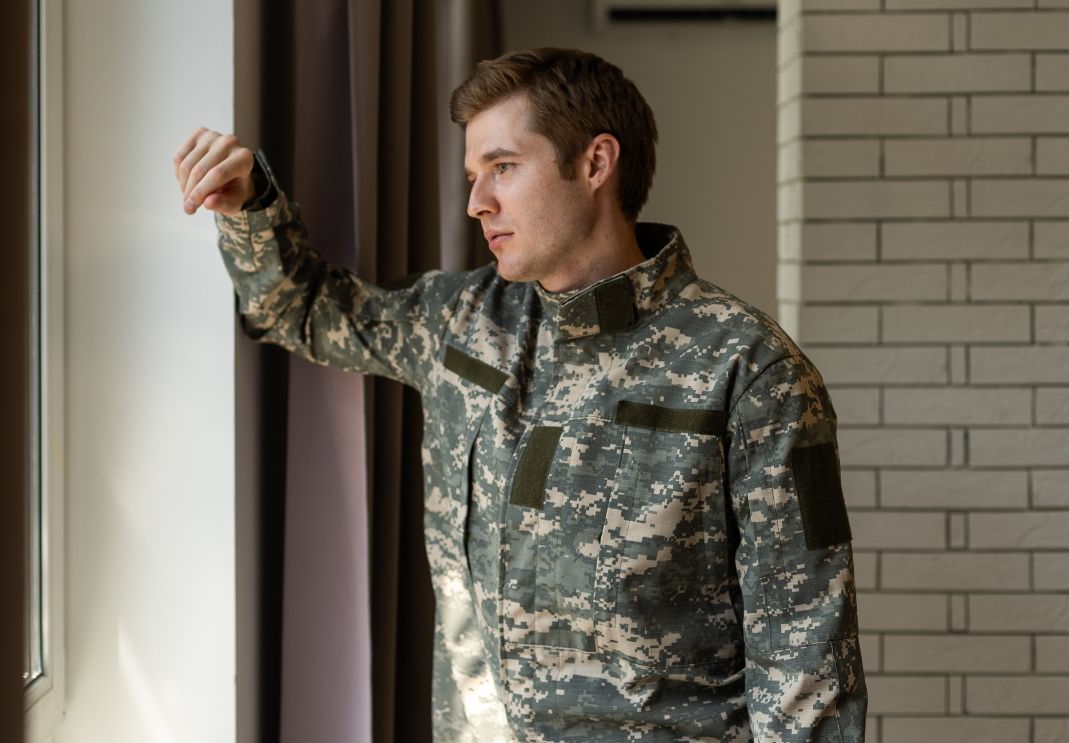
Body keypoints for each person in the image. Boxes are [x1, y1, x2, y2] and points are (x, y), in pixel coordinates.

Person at [175, 47, 866, 742]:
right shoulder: (460, 323)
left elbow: (805, 661)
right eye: (474, 176)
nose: (477, 202)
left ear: (596, 163)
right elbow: (304, 310)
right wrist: (249, 203)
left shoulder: (748, 369)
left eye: (503, 167)